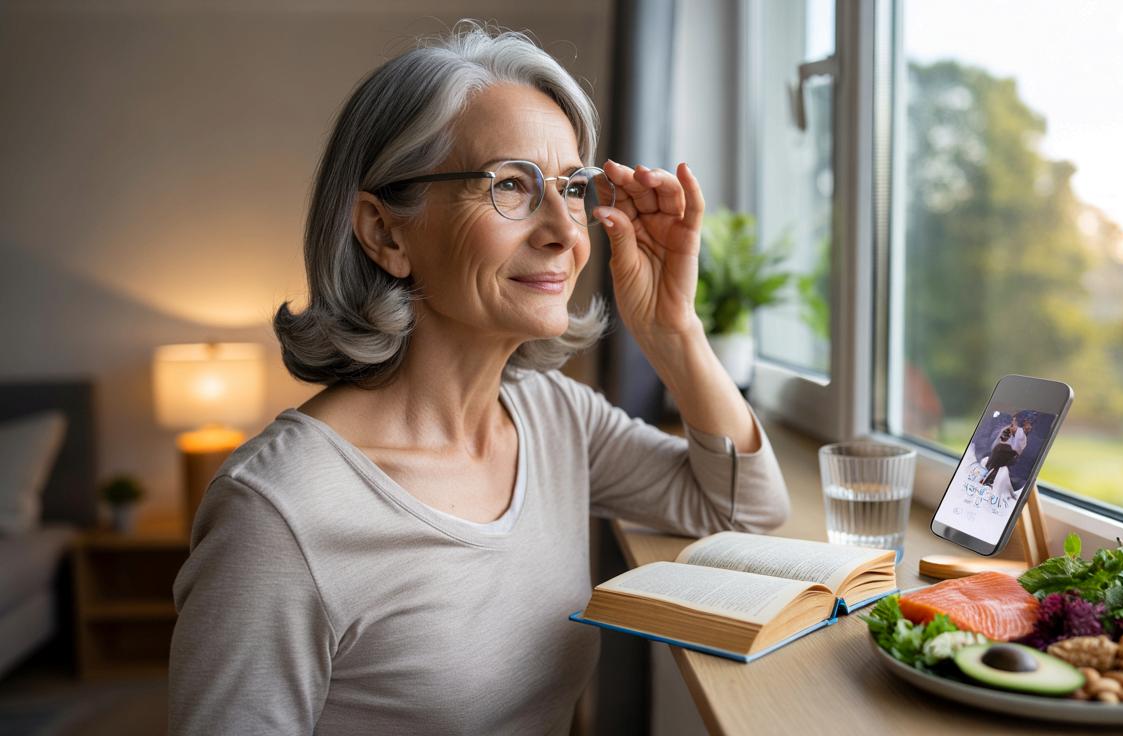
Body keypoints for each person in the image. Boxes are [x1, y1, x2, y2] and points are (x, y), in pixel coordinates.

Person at [168, 23, 789, 736]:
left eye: (570, 186)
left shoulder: (554, 417)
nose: (565, 229)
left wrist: (672, 329)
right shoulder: (277, 516)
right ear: (385, 233)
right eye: (512, 186)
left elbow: (742, 509)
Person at [981, 416, 1031, 488]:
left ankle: (990, 477)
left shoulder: (1021, 434)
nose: (1011, 426)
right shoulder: (1007, 431)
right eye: (1011, 424)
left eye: (1013, 425)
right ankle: (989, 476)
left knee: (1000, 450)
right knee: (998, 450)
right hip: (1001, 453)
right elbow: (1000, 440)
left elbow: (1016, 448)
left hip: (1010, 455)